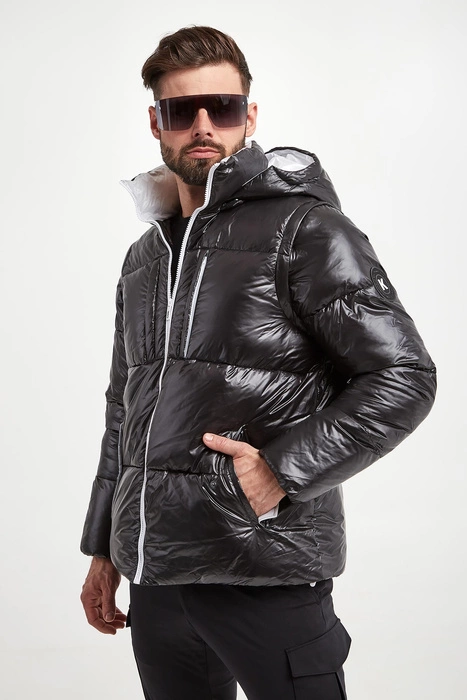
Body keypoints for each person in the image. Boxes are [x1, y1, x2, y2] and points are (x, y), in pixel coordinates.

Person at [80, 25, 437, 700]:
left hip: (267, 571)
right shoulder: (145, 258)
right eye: (182, 110)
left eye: (223, 107)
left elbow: (404, 376)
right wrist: (104, 547)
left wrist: (281, 470)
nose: (203, 126)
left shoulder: (306, 230)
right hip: (158, 582)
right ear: (156, 123)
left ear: (250, 116)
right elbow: (122, 410)